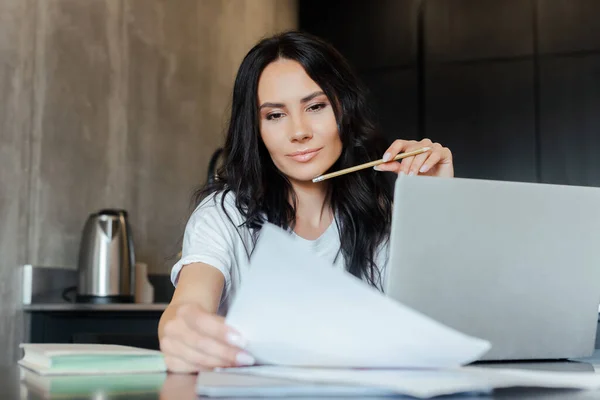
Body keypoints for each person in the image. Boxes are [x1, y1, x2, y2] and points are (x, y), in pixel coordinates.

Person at [158, 31, 454, 373]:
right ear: (256, 129)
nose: (299, 131)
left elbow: (435, 332)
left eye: (315, 106)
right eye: (275, 115)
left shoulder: (382, 219)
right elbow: (190, 304)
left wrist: (435, 205)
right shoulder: (223, 215)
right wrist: (179, 328)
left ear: (343, 109)